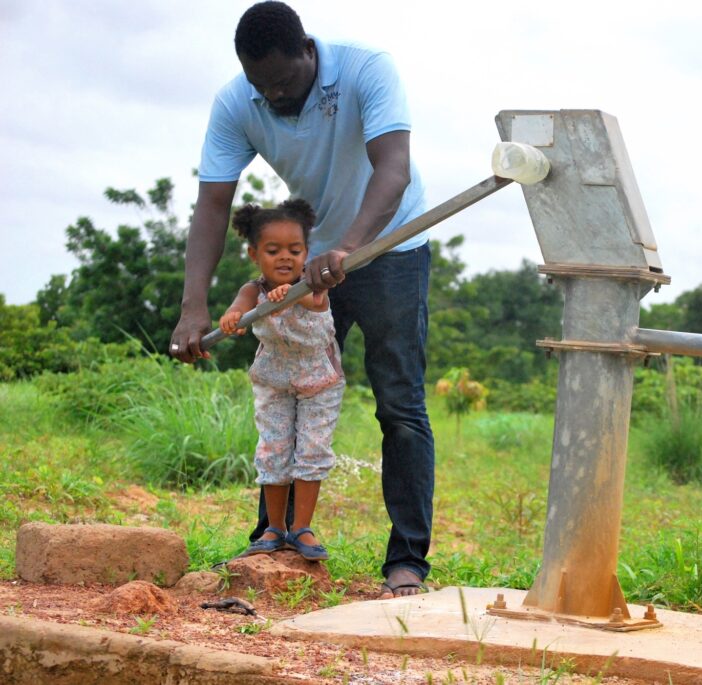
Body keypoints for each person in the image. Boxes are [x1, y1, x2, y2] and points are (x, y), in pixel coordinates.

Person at [169, 1, 434, 598]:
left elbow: (392, 170)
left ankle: (407, 561)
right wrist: (195, 307)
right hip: (309, 269)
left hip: (390, 246)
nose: (276, 98)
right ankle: (274, 539)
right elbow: (213, 205)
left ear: (307, 51)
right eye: (263, 87)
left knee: (399, 405)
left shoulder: (367, 69)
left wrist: (348, 247)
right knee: (286, 391)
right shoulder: (238, 101)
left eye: (285, 83)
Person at [220, 199, 343, 561]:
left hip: (318, 381)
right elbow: (239, 308)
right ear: (254, 254)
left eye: (295, 249)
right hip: (274, 379)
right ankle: (274, 528)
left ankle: (301, 528)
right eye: (273, 251)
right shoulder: (253, 289)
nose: (285, 257)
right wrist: (233, 317)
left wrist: (289, 296)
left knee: (311, 450)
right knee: (272, 449)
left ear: (307, 252)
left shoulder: (311, 283)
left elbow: (316, 304)